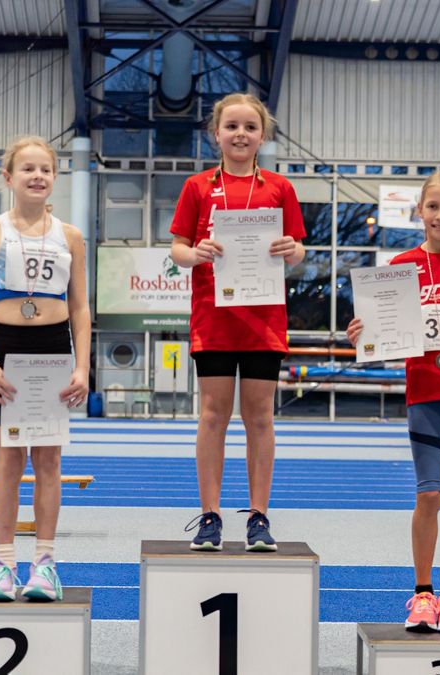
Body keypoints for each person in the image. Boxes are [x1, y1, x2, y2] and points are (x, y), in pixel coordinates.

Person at [347, 171, 440, 634]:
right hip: (424, 392)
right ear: (420, 210)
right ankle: (421, 592)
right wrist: (364, 333)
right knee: (429, 492)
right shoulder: (403, 265)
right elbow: (385, 329)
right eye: (433, 206)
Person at [170, 92, 306, 552]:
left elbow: (299, 251)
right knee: (213, 416)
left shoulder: (280, 188)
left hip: (264, 319)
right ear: (217, 134)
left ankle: (258, 517)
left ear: (262, 135)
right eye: (232, 126)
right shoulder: (197, 187)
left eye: (250, 127)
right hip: (214, 319)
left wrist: (292, 249)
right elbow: (178, 250)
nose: (241, 134)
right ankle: (210, 516)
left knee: (260, 418)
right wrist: (196, 253)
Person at [0, 136, 91, 601]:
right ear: (8, 177)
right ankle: (3, 563)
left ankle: (45, 563)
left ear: (55, 177)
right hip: (9, 349)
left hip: (54, 349)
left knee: (49, 461)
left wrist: (83, 367)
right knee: (9, 459)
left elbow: (81, 308)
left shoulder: (70, 236)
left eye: (46, 170)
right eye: (28, 169)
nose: (38, 176)